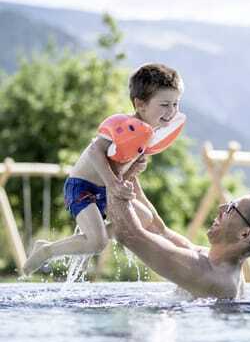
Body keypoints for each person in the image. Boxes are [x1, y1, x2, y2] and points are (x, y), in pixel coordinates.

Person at [23, 63, 186, 275]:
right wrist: (114, 184)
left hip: (107, 189)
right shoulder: (122, 125)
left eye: (176, 104)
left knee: (144, 219)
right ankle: (46, 250)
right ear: (140, 105)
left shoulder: (146, 138)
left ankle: (107, 232)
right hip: (82, 187)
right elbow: (94, 152)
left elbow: (124, 176)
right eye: (165, 104)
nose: (171, 111)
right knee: (96, 243)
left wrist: (132, 178)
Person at [107, 186, 250, 299]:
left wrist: (109, 180)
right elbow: (158, 229)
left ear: (245, 234)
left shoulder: (212, 278)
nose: (221, 208)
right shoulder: (210, 260)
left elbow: (130, 235)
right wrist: (131, 169)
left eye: (231, 209)